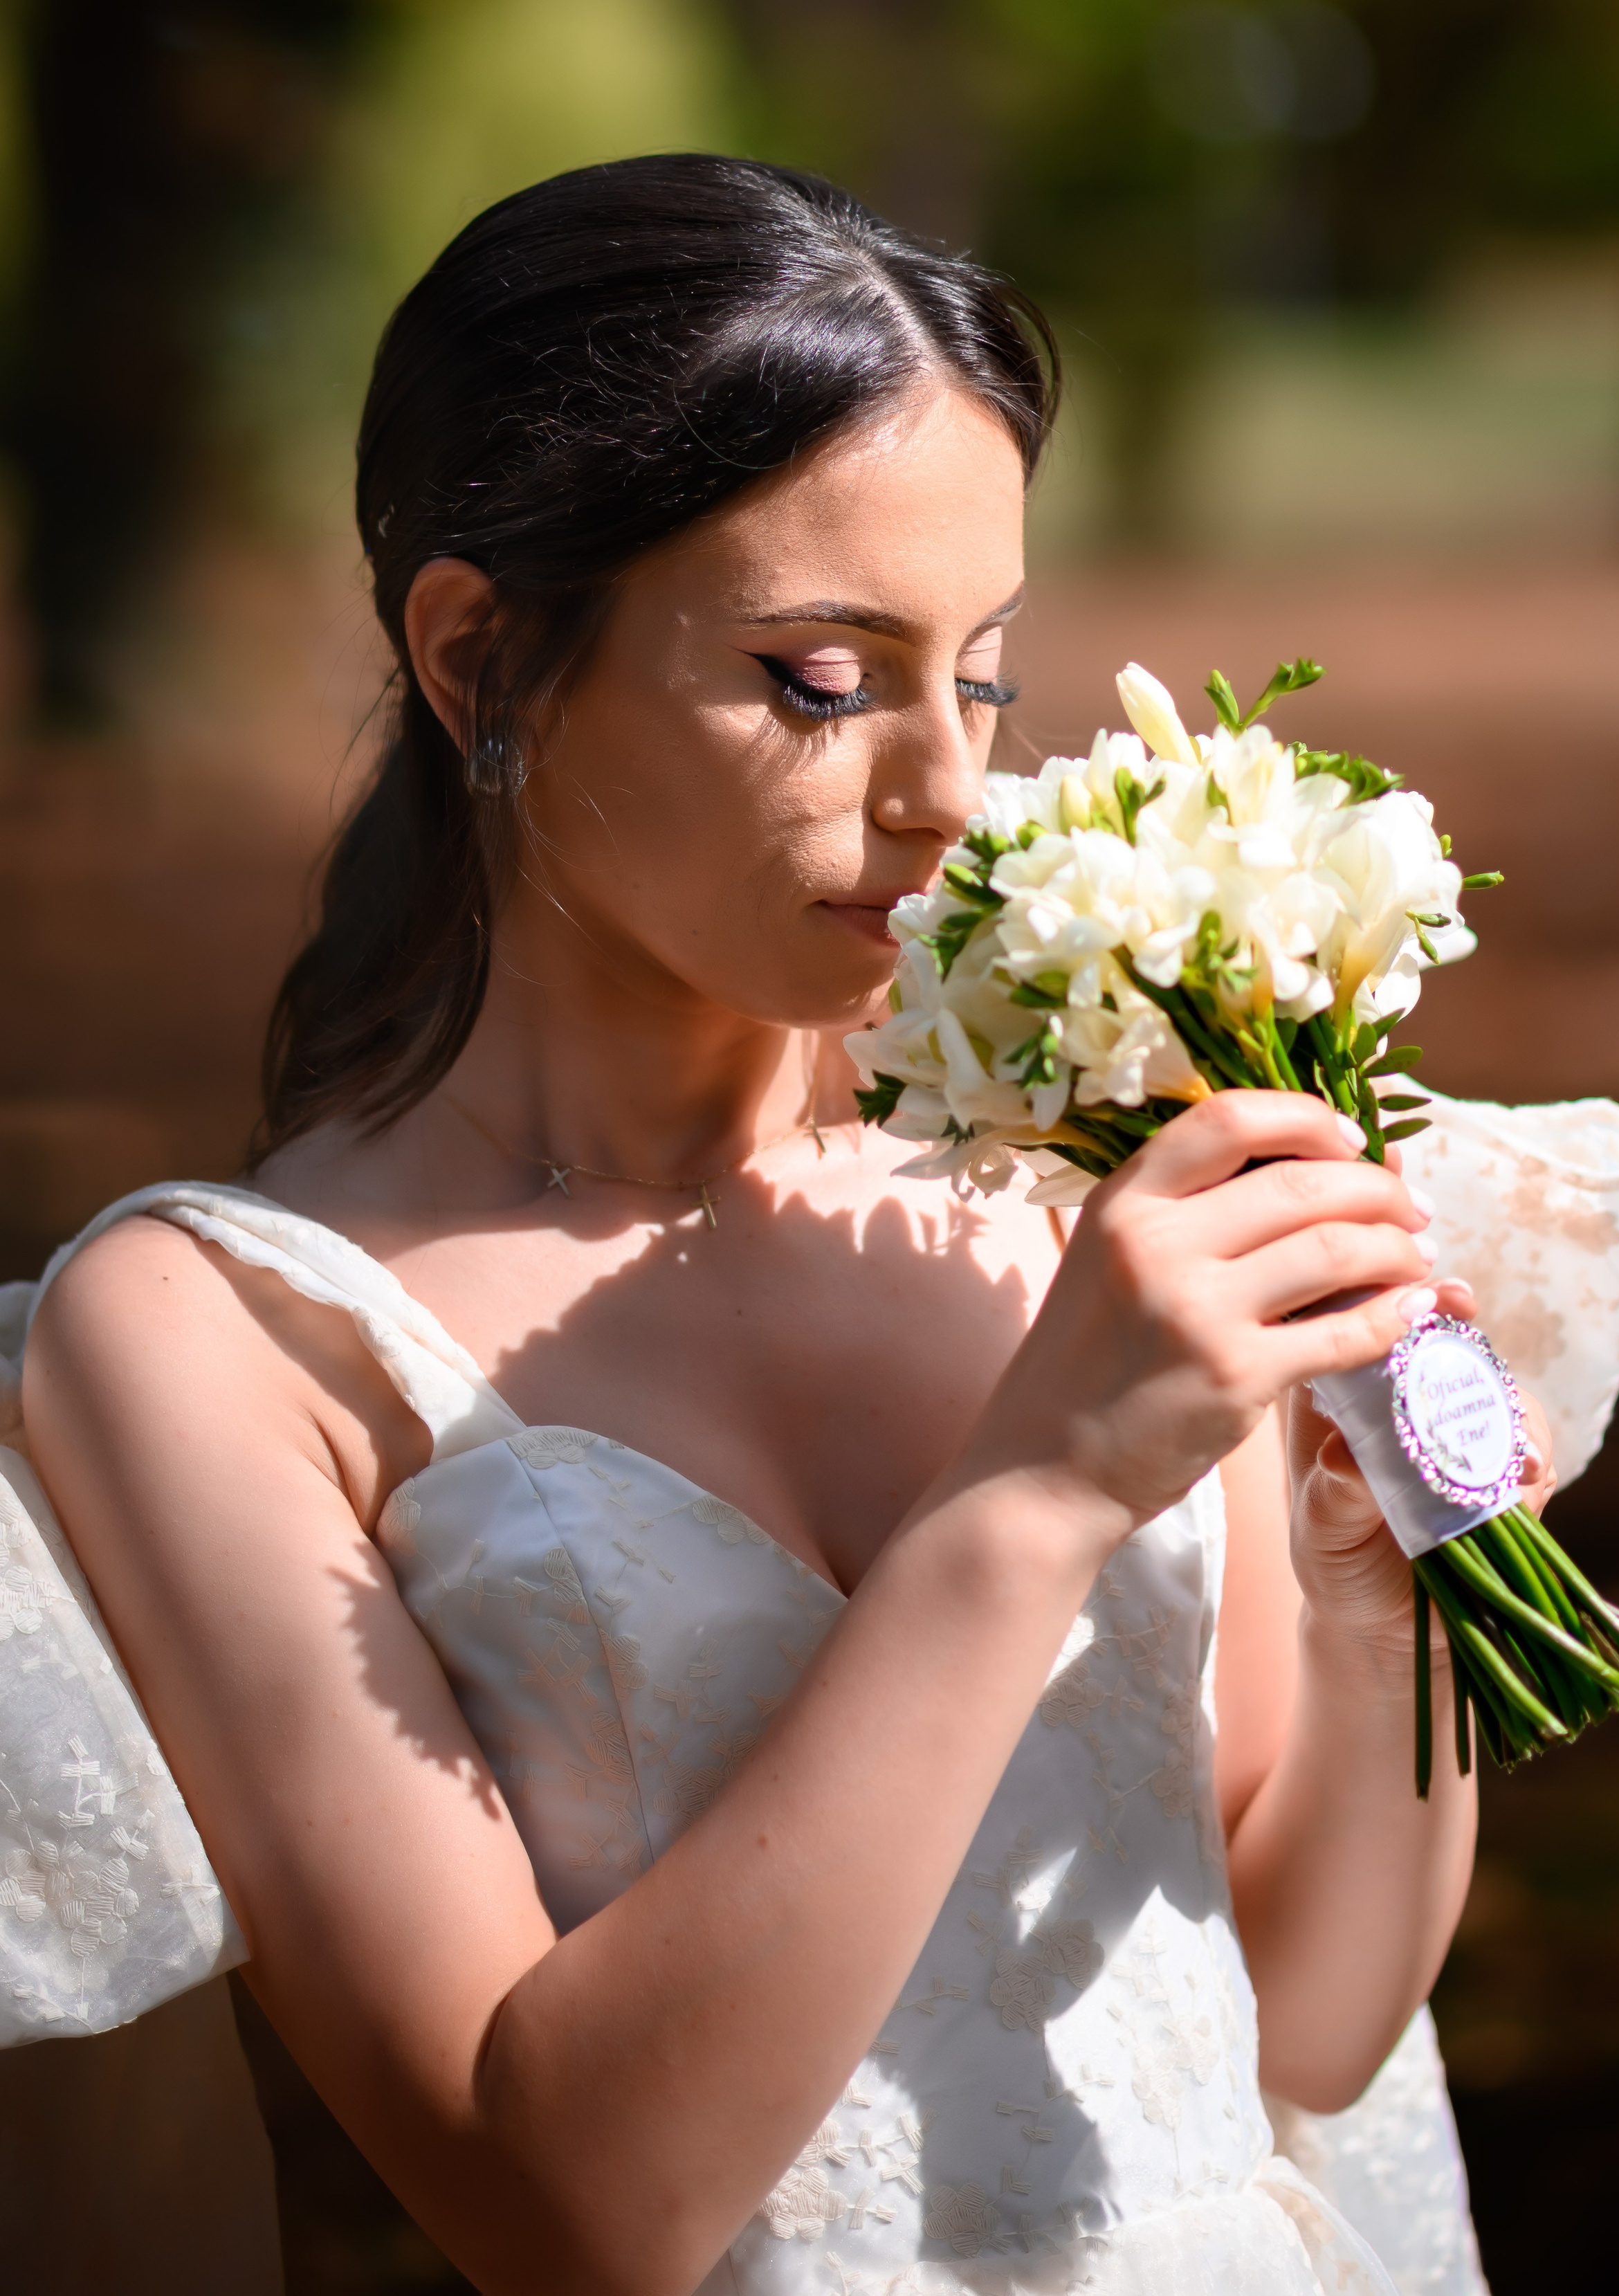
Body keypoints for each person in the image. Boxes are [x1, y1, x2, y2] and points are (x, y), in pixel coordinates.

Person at [20, 156, 1535, 2295]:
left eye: (981, 674)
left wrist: (1384, 1607)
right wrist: (1033, 1495)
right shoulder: (216, 1341)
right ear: (479, 658)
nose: (947, 792)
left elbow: (1306, 2021)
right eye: (825, 676)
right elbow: (565, 2210)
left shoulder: (1068, 1172)